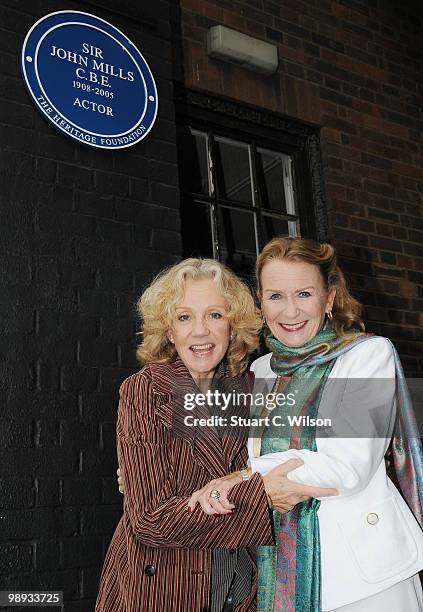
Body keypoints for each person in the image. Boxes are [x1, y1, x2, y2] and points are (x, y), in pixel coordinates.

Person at [190, 237, 423, 612]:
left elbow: (348, 465)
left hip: (365, 578)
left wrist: (246, 479)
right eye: (276, 296)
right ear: (261, 303)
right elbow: (237, 452)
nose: (290, 311)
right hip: (276, 566)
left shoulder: (366, 355)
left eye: (303, 293)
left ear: (328, 299)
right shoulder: (261, 371)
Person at [96, 257, 336, 612]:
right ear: (168, 330)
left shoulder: (250, 389)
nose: (200, 331)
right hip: (166, 588)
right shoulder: (145, 390)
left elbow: (291, 462)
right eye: (184, 317)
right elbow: (150, 519)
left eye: (215, 315)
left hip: (242, 588)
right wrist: (260, 495)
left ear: (233, 324)